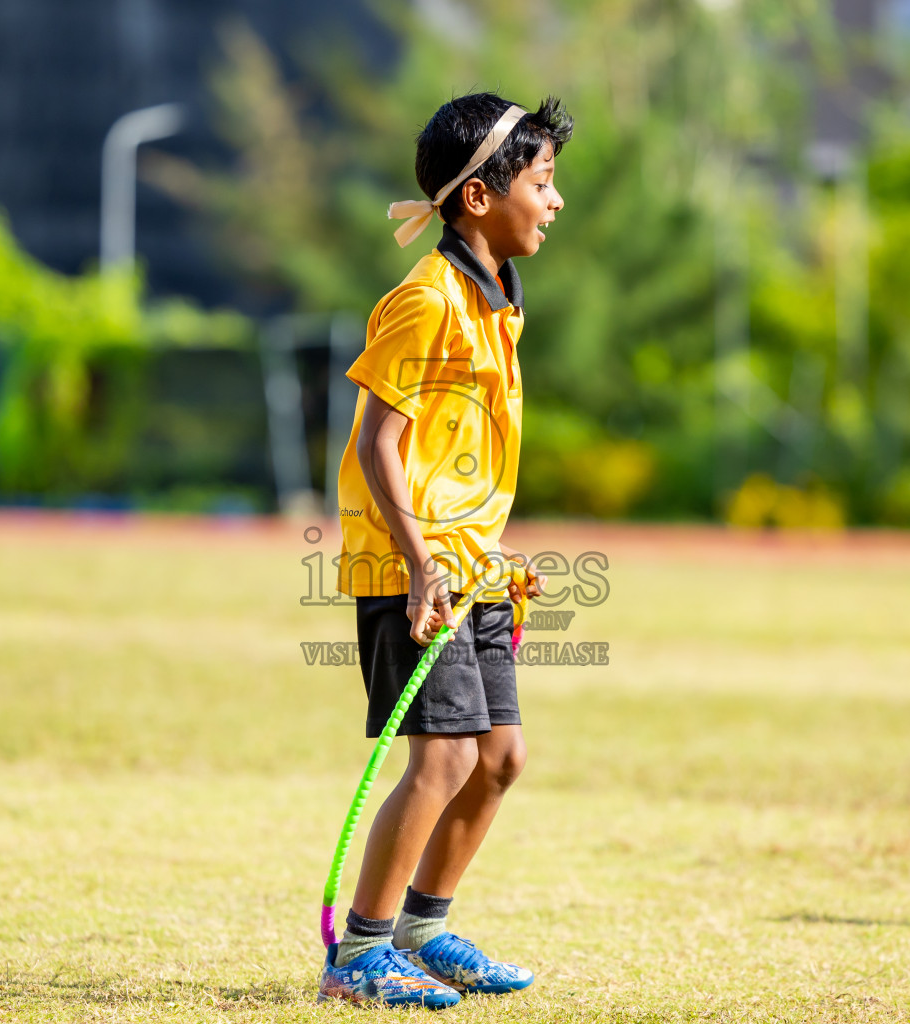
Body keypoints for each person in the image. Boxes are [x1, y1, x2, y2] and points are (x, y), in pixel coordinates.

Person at [319, 92, 569, 1009]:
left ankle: (423, 929)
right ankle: (360, 955)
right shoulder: (425, 300)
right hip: (412, 569)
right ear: (479, 198)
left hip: (474, 566)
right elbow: (375, 444)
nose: (554, 201)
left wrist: (490, 552)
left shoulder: (494, 298)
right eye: (542, 184)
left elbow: (458, 454)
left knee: (499, 757)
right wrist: (425, 560)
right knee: (443, 760)